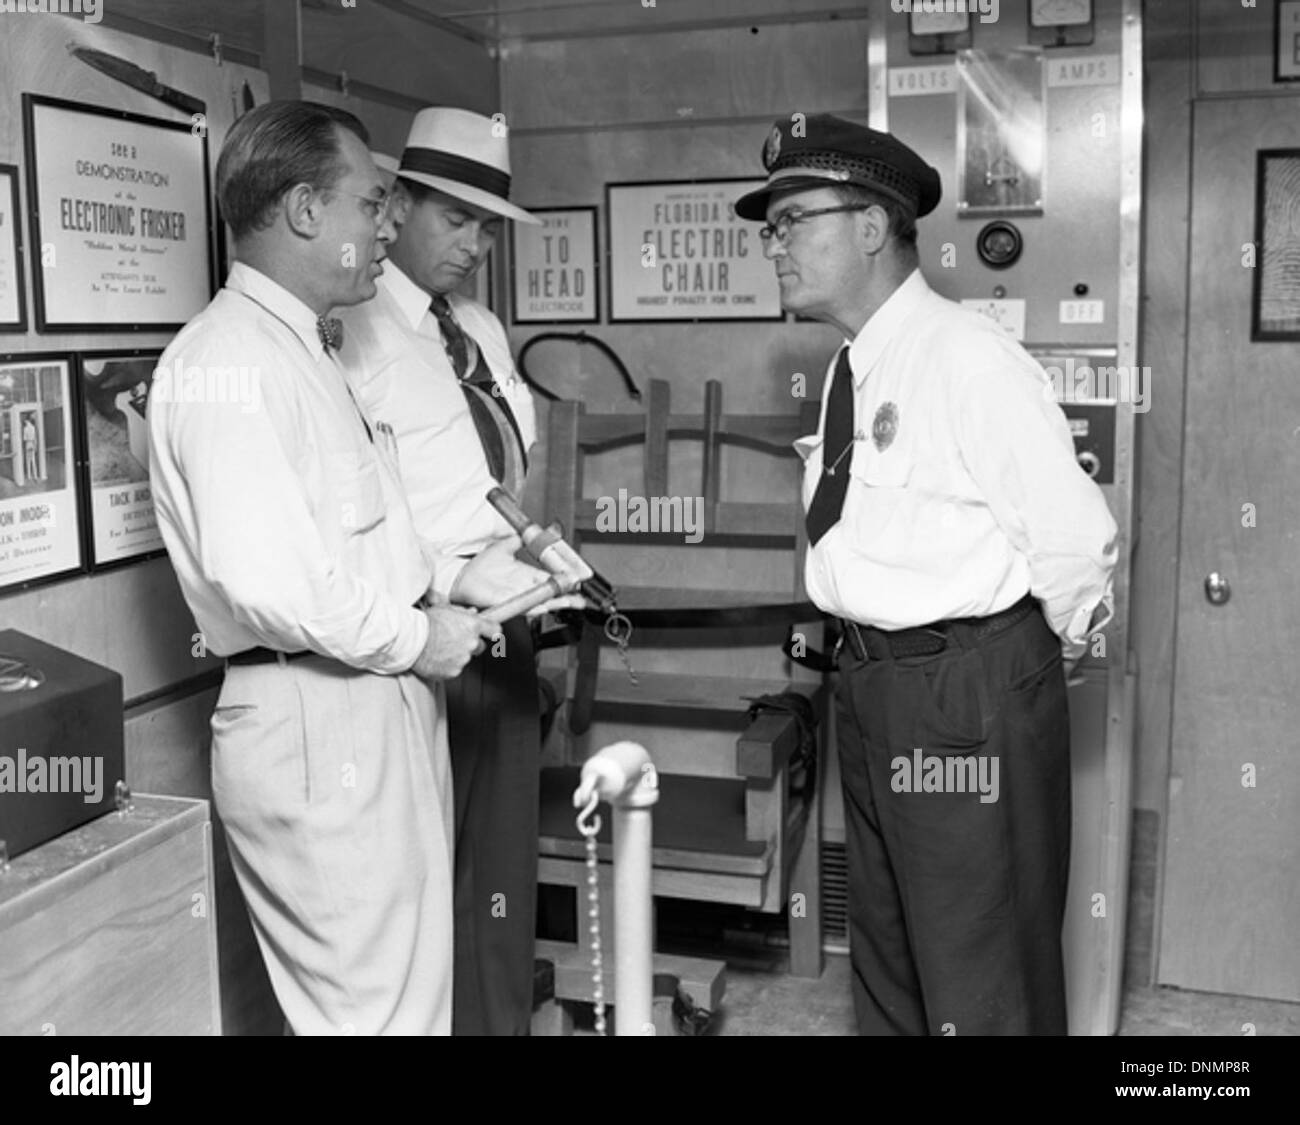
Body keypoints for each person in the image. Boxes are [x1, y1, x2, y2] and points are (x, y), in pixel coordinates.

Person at [735, 114, 1118, 1035]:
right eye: (771, 228)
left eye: (793, 221)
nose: (775, 246)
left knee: (980, 962)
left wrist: (1019, 671)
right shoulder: (853, 367)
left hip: (961, 689)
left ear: (872, 226)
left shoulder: (967, 358)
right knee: (892, 952)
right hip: (872, 685)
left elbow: (1074, 541)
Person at [148, 100, 503, 1035]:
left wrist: (452, 582)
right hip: (318, 711)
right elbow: (273, 583)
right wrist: (421, 637)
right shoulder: (226, 363)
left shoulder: (304, 348)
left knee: (406, 1003)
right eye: (371, 202)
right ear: (306, 211)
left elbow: (352, 536)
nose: (384, 227)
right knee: (373, 1014)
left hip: (365, 694)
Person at [336, 107, 562, 1036]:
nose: (474, 245)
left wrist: (539, 555)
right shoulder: (346, 330)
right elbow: (346, 515)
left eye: (488, 227)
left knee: (503, 867)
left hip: (508, 623)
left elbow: (511, 467)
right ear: (396, 206)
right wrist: (448, 577)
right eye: (456, 218)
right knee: (426, 880)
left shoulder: (480, 330)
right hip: (419, 634)